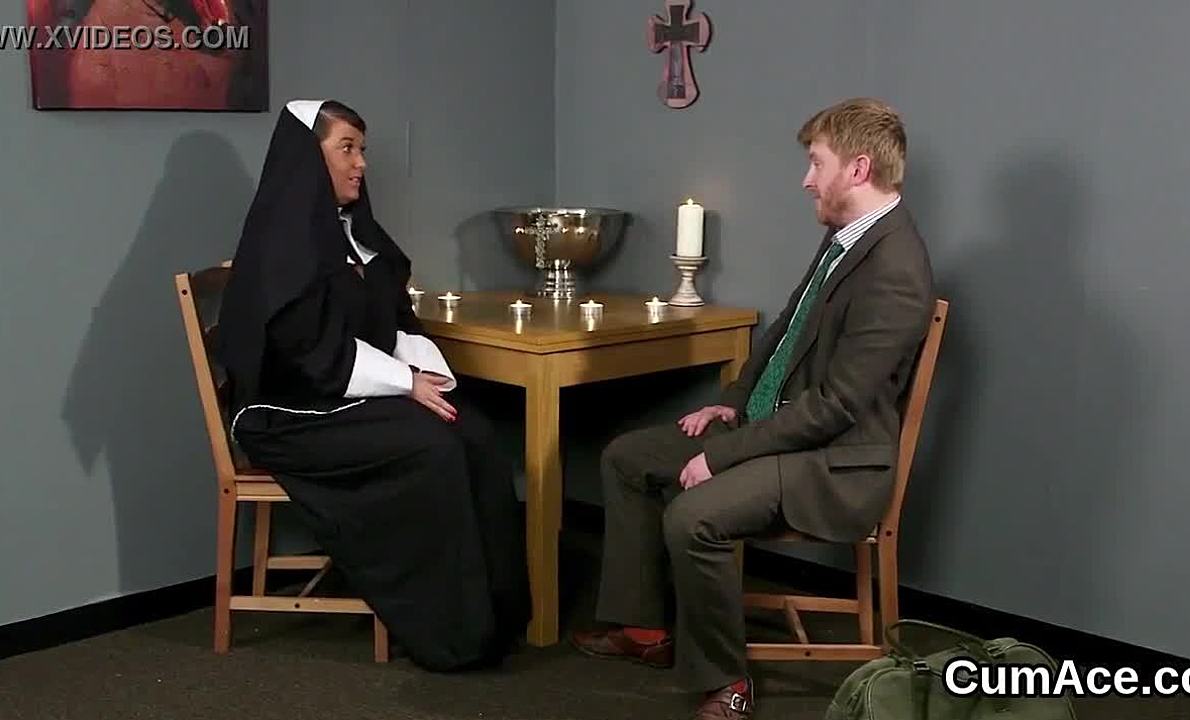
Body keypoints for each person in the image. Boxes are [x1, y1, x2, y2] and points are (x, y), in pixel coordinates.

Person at [570, 98, 936, 719]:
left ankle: (727, 685)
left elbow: (837, 406)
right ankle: (645, 630)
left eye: (816, 163)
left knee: (693, 516)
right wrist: (733, 404)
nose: (806, 180)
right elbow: (788, 329)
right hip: (782, 428)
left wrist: (722, 457)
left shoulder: (896, 267)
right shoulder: (846, 238)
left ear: (858, 168)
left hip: (836, 463)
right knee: (628, 458)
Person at [218, 98, 530, 671]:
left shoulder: (355, 236)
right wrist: (406, 383)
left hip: (343, 392)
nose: (361, 163)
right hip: (284, 412)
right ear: (310, 158)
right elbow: (308, 350)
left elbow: (393, 321)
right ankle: (450, 635)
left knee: (474, 432)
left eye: (361, 150)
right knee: (431, 446)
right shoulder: (281, 243)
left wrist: (429, 379)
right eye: (347, 149)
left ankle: (498, 618)